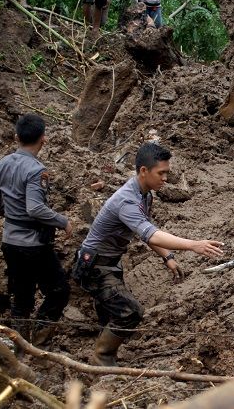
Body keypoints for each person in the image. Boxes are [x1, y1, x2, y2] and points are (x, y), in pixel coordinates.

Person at [74, 142, 224, 366]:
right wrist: (193, 245)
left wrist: (168, 257)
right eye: (161, 173)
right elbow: (151, 235)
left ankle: (104, 347)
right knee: (130, 313)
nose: (165, 179)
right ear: (144, 171)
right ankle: (101, 358)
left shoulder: (145, 195)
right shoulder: (127, 200)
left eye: (167, 173)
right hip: (94, 266)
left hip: (109, 263)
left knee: (113, 312)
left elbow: (146, 229)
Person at [0, 114, 72, 346]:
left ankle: (21, 346)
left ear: (16, 137)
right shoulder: (36, 170)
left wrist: (12, 218)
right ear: (43, 139)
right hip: (34, 244)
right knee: (58, 291)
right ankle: (39, 340)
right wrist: (61, 221)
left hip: (10, 242)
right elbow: (35, 208)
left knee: (22, 296)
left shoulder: (1, 163)